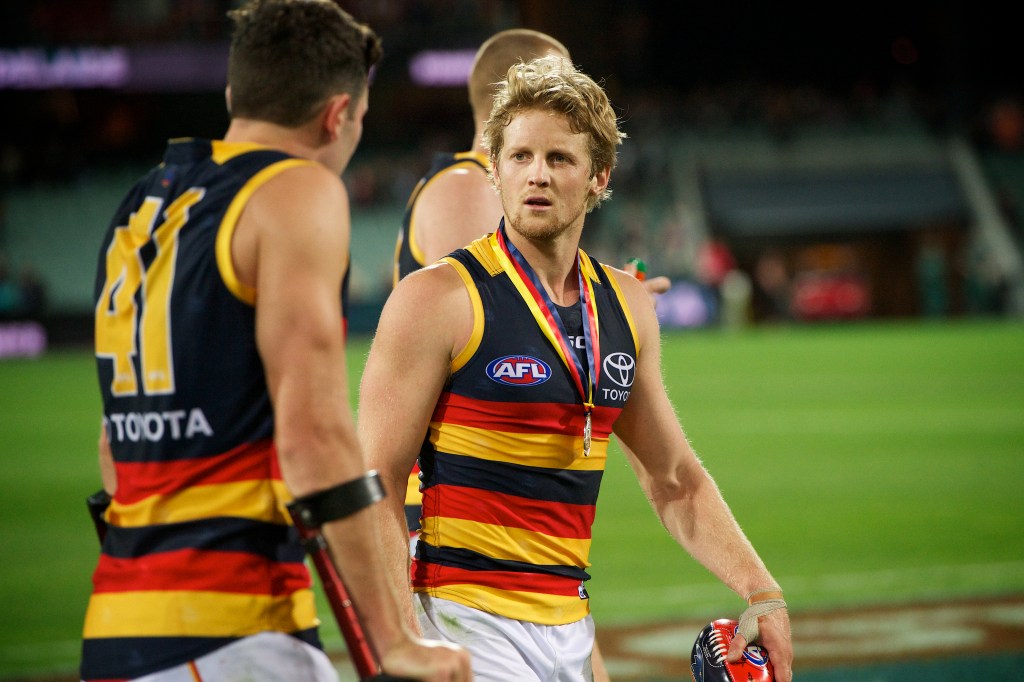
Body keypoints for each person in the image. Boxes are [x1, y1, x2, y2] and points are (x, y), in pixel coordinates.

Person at [360, 55, 794, 681]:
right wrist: (406, 642)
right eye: (520, 157)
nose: (537, 175)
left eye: (559, 159)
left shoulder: (626, 305)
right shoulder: (439, 298)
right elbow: (376, 477)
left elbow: (674, 479)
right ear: (495, 169)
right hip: (460, 620)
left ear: (599, 176)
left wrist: (762, 589)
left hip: (570, 624)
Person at [82, 2, 471, 681]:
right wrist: (393, 640)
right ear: (337, 114)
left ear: (236, 94)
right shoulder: (297, 190)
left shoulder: (141, 205)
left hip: (119, 626)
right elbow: (316, 435)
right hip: (234, 629)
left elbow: (115, 448)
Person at [391, 29, 668, 681]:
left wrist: (604, 302)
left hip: (523, 526)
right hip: (457, 526)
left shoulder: (479, 186)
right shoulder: (467, 187)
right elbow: (498, 324)